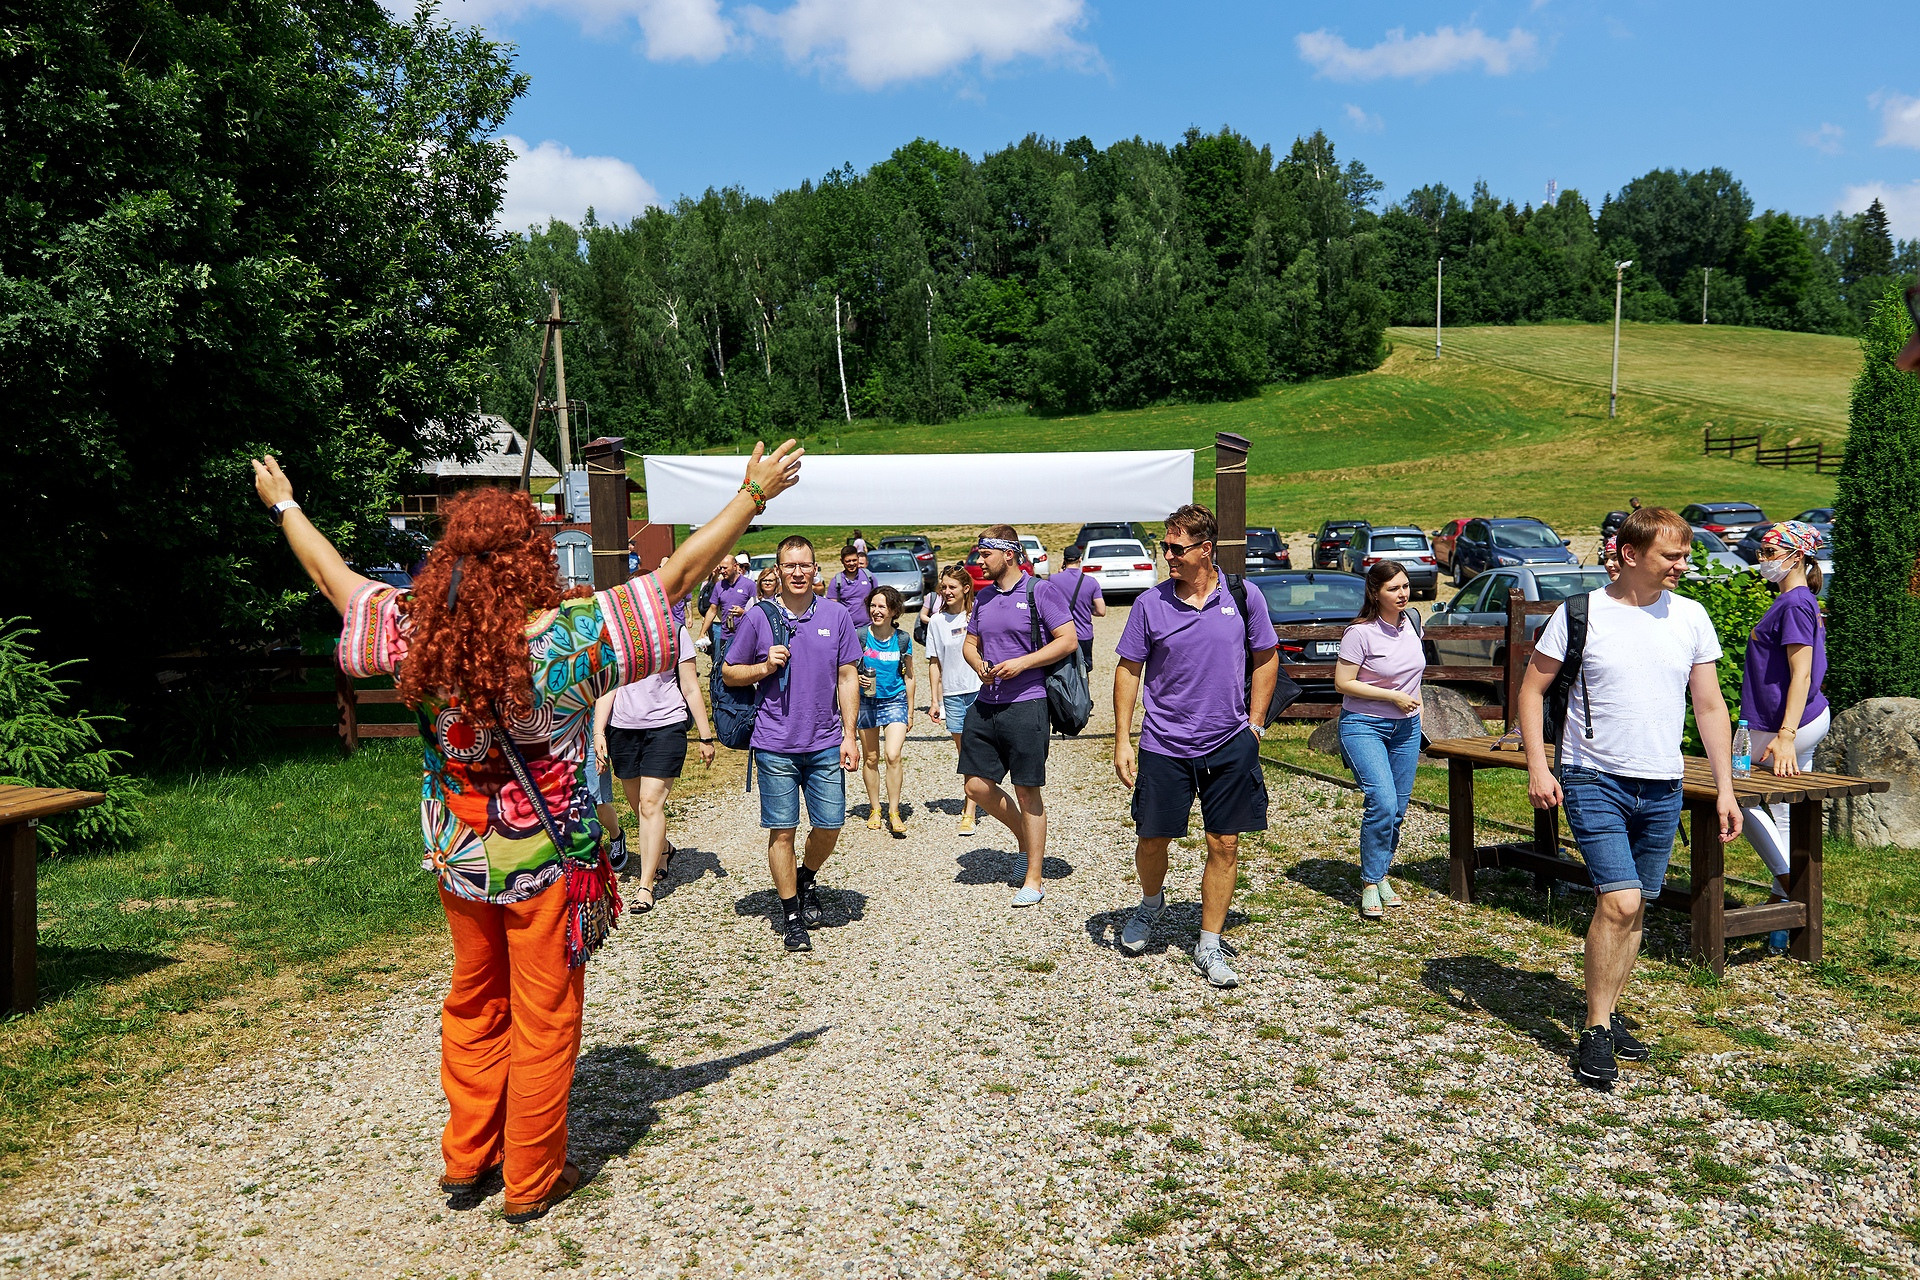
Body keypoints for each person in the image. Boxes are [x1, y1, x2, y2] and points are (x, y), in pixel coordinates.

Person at [250, 439, 802, 1223]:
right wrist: (753, 494)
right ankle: (533, 1179)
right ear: (529, 558)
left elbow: (332, 580)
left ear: (448, 559)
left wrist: (285, 505)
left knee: (474, 1002)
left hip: (459, 857)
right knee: (543, 1017)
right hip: (547, 860)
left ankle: (466, 1159)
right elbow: (672, 581)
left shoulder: (415, 634)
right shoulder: (566, 640)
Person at [1519, 506, 1740, 1087]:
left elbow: (1711, 707)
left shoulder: (1691, 617)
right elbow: (1531, 690)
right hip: (1593, 778)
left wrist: (1724, 789)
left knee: (1637, 904)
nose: (1682, 565)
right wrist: (1539, 767)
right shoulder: (1582, 613)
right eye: (1672, 555)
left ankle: (1610, 1011)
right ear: (1630, 554)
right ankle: (1595, 1029)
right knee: (1617, 901)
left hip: (1663, 784)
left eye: (1686, 554)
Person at [1114, 504, 1278, 988]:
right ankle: (1150, 904)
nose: (1167, 556)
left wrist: (1255, 724)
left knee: (1224, 842)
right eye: (1164, 546)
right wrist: (1123, 738)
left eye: (1176, 547)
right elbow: (1128, 670)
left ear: (1206, 550)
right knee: (1152, 837)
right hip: (1164, 743)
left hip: (1230, 742)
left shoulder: (1244, 596)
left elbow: (1265, 657)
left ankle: (1209, 943)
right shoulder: (1150, 604)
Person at [723, 535, 862, 953]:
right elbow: (730, 673)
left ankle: (804, 877)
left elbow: (847, 676)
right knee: (782, 831)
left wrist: (850, 735)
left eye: (806, 565)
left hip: (824, 741)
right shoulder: (758, 618)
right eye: (790, 566)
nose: (798, 572)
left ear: (816, 569)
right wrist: (764, 666)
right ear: (777, 571)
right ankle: (790, 915)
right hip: (774, 743)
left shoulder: (836, 615)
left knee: (831, 823)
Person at [960, 525, 1078, 907]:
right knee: (975, 786)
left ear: (1008, 554)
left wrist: (1022, 664)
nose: (979, 561)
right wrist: (977, 662)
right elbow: (970, 642)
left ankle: (1034, 877)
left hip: (1027, 701)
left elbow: (1068, 640)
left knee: (1027, 792)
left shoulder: (1040, 591)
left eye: (985, 554)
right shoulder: (984, 597)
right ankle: (1026, 842)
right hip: (987, 700)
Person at [1740, 520, 1830, 954]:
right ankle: (1784, 931)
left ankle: (1789, 885)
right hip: (1793, 722)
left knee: (1734, 789)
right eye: (1762, 551)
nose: (1762, 558)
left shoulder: (1794, 604)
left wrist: (1787, 736)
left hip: (1784, 726)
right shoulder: (1796, 599)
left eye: (1770, 551)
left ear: (1797, 556)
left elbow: (1802, 673)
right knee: (1786, 816)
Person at [593, 614, 716, 912]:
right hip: (623, 729)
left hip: (666, 727)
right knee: (638, 806)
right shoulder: (615, 635)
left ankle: (644, 886)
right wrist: (599, 730)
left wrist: (705, 735)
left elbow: (689, 686)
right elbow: (608, 686)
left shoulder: (675, 633)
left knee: (650, 804)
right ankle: (664, 848)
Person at [1333, 562, 1425, 921]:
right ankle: (1370, 882)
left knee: (1398, 810)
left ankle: (1382, 871)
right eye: (1393, 589)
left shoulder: (1413, 624)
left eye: (1405, 586)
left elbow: (1414, 675)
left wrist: (1410, 709)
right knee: (1383, 802)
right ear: (1375, 593)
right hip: (1364, 725)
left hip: (1407, 727)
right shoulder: (1360, 633)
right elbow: (1343, 682)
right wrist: (1392, 697)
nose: (1403, 594)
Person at [925, 566, 981, 836]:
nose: (946, 592)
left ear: (965, 589)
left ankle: (970, 810)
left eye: (952, 587)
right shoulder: (936, 622)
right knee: (966, 754)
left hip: (980, 690)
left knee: (978, 751)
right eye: (943, 587)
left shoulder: (976, 615)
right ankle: (973, 803)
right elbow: (934, 662)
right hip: (953, 695)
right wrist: (935, 700)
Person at [856, 585, 915, 837]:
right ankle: (874, 809)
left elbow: (910, 676)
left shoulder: (902, 639)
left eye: (882, 606)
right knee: (870, 758)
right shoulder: (859, 636)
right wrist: (857, 677)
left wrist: (911, 712)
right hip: (866, 702)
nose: (876, 611)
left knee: (892, 755)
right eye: (873, 605)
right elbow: (846, 672)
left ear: (893, 611)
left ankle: (894, 811)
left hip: (895, 701)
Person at [1052, 545, 1108, 671]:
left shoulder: (1053, 580)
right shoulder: (1091, 582)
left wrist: (1060, 572)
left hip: (1060, 635)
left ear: (1064, 561)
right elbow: (1101, 611)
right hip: (1083, 634)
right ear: (1080, 559)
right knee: (1083, 672)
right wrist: (1089, 609)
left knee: (1062, 672)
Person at [696, 554, 756, 650]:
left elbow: (757, 611)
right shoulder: (719, 586)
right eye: (720, 568)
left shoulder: (749, 585)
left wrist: (743, 613)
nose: (722, 571)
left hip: (745, 636)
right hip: (725, 637)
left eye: (725, 568)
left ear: (735, 566)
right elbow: (712, 610)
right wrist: (702, 633)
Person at [826, 544, 874, 615]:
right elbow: (832, 607)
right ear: (842, 561)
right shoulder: (836, 581)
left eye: (854, 560)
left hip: (868, 624)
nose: (851, 563)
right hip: (846, 624)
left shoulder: (869, 577)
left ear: (858, 559)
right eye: (848, 561)